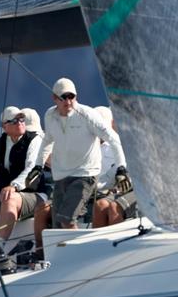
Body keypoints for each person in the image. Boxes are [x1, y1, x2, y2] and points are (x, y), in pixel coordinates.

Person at [26, 77, 130, 229]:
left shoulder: (87, 115)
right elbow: (47, 141)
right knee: (57, 226)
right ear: (54, 98)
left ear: (76, 97)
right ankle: (58, 252)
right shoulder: (50, 116)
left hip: (85, 174)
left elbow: (113, 138)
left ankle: (79, 252)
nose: (68, 102)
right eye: (63, 97)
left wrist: (122, 168)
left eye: (71, 97)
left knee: (67, 220)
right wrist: (38, 166)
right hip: (61, 175)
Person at [0, 106, 46, 250]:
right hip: (6, 197)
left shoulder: (36, 140)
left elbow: (33, 167)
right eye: (16, 121)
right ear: (5, 126)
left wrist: (14, 186)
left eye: (22, 120)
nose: (20, 123)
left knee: (9, 198)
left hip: (30, 195)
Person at [92, 106, 138, 227]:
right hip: (120, 191)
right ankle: (97, 245)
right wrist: (92, 187)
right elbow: (112, 173)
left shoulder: (137, 142)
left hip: (142, 192)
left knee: (114, 207)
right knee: (100, 206)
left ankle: (119, 245)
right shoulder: (110, 147)